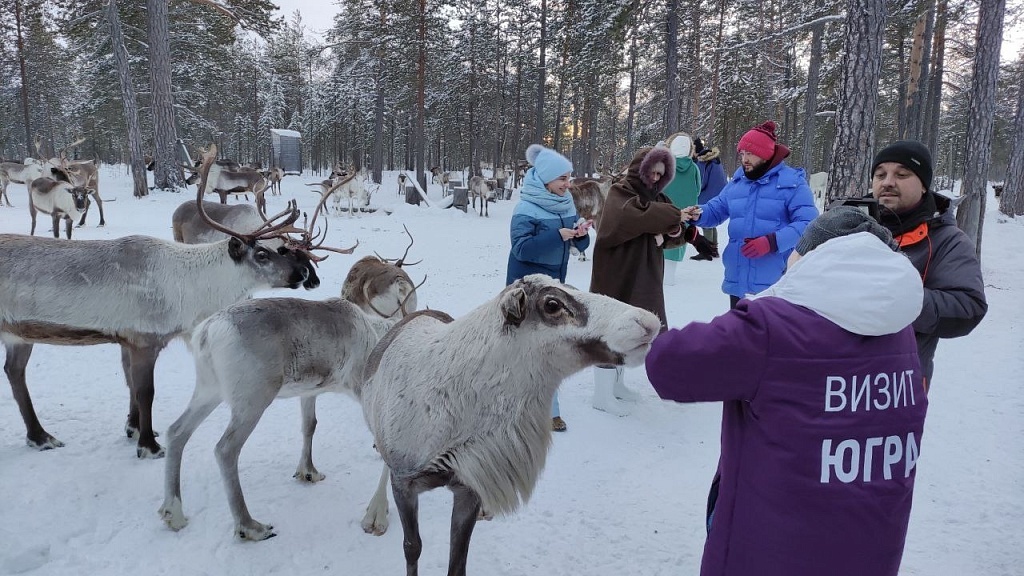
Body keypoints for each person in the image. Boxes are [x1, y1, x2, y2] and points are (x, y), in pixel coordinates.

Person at [646, 206, 928, 576]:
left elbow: (667, 365)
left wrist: (758, 309)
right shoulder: (898, 329)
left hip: (769, 548)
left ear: (812, 259)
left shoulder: (772, 328)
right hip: (872, 547)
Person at [589, 145, 707, 416]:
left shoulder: (659, 197)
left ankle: (617, 385)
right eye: (652, 172)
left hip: (644, 274)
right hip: (616, 273)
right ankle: (602, 394)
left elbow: (673, 228)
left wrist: (672, 229)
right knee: (610, 328)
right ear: (640, 170)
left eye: (660, 174)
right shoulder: (622, 192)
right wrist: (669, 219)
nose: (655, 178)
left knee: (631, 328)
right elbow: (631, 217)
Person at [868, 140, 987, 387]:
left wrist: (895, 298)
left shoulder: (947, 240)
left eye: (902, 174)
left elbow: (968, 308)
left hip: (896, 385)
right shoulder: (847, 224)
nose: (888, 182)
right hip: (830, 374)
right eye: (880, 175)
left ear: (924, 186)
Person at [683, 120, 818, 308]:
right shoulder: (739, 181)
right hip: (738, 279)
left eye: (751, 153)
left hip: (775, 282)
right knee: (738, 335)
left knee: (770, 336)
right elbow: (718, 208)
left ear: (766, 154)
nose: (745, 159)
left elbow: (809, 223)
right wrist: (699, 213)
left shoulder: (792, 183)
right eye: (743, 153)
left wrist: (772, 242)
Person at [506, 143, 591, 432]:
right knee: (526, 349)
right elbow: (522, 248)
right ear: (545, 179)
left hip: (555, 289)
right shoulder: (525, 209)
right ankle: (519, 404)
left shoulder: (565, 204)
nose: (568, 185)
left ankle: (549, 407)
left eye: (570, 177)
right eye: (562, 179)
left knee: (552, 348)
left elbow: (581, 245)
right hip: (526, 291)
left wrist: (580, 235)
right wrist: (559, 235)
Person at [661, 132, 702, 284]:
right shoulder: (694, 169)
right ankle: (669, 276)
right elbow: (698, 189)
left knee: (662, 239)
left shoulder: (665, 166)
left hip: (665, 209)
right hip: (685, 212)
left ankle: (660, 275)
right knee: (677, 241)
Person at [690, 137, 728, 261]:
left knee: (706, 222)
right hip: (719, 193)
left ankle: (708, 251)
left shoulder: (703, 161)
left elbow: (701, 182)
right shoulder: (713, 159)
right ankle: (714, 249)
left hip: (709, 194)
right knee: (712, 223)